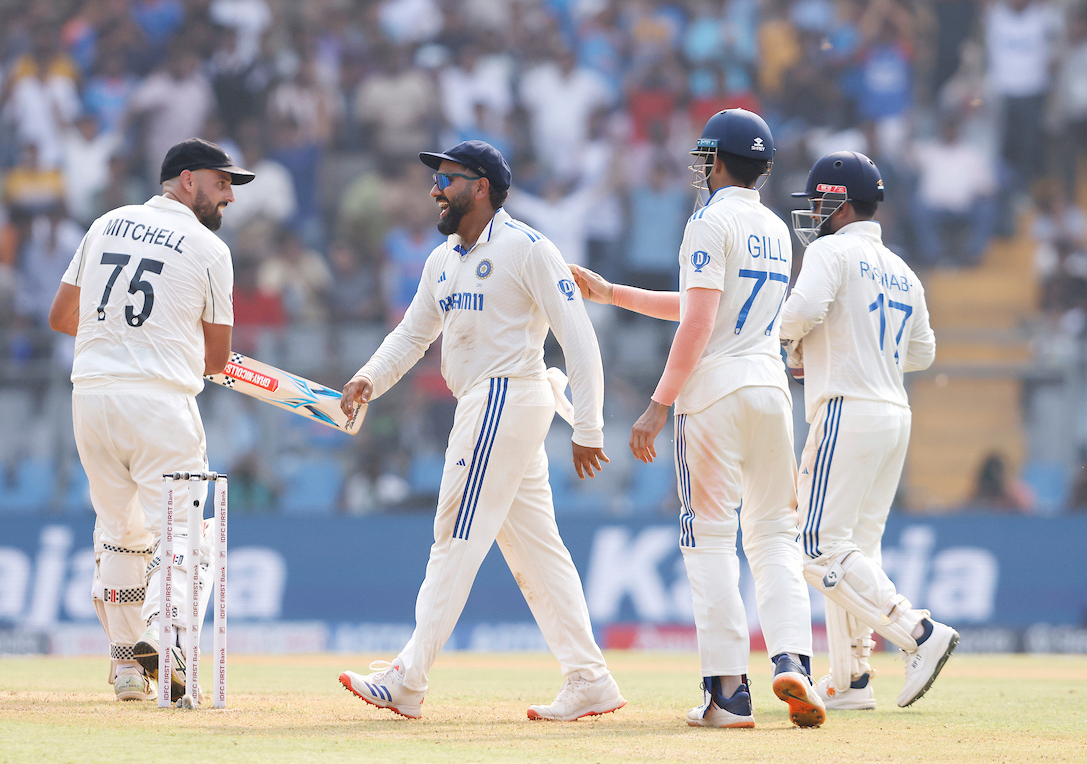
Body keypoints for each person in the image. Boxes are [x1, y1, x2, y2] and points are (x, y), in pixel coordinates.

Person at [335, 140, 625, 722]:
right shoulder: (442, 259)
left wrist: (590, 426)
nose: (436, 189)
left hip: (504, 395)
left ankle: (408, 678)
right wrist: (370, 377)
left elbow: (579, 336)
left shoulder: (528, 248)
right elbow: (413, 335)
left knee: (454, 537)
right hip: (485, 401)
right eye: (436, 179)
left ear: (482, 186)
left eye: (447, 178)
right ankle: (590, 679)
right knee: (537, 551)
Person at [572, 108, 825, 729]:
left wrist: (657, 406)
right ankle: (794, 662)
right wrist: (614, 294)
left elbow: (700, 322)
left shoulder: (708, 221)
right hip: (770, 392)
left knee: (709, 538)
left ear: (715, 160)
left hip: (712, 394)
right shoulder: (773, 226)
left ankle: (728, 695)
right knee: (774, 538)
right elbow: (702, 304)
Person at [48, 137, 254, 701]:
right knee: (186, 534)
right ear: (187, 180)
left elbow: (63, 316)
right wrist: (163, 343)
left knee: (120, 536)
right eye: (222, 183)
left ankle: (124, 670)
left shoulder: (106, 223)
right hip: (159, 401)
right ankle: (169, 643)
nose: (229, 197)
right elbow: (216, 361)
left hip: (90, 397)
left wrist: (124, 338)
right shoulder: (211, 251)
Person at [781, 150, 959, 711]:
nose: (812, 212)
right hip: (893, 411)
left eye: (818, 201)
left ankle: (919, 633)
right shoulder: (902, 269)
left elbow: (795, 313)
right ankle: (852, 678)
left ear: (839, 201)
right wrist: (858, 348)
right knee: (852, 548)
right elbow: (924, 352)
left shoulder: (832, 251)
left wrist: (800, 345)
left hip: (847, 408)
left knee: (814, 546)